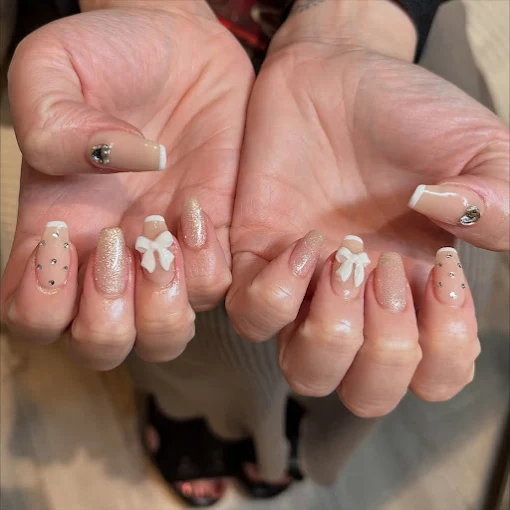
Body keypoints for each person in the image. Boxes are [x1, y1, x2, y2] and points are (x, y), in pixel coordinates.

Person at [1, 0, 508, 506]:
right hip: (162, 55)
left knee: (411, 291)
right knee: (174, 288)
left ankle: (280, 431)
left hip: (383, 30)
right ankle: (197, 422)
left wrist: (351, 28)